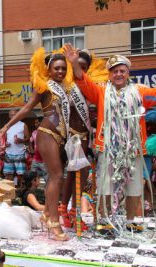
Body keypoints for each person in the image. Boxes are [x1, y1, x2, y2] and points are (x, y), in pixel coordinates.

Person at [65, 44, 156, 232]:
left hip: (134, 148)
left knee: (135, 186)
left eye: (122, 71)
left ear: (128, 72)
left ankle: (132, 221)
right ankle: (104, 221)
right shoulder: (101, 91)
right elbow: (83, 80)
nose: (119, 74)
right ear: (109, 74)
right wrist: (74, 64)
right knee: (106, 185)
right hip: (108, 147)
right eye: (115, 71)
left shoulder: (140, 92)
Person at [0, 49, 72, 241]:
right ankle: (54, 223)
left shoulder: (66, 87)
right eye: (56, 68)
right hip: (46, 133)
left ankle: (48, 214)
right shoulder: (44, 86)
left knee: (55, 178)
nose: (60, 71)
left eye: (63, 68)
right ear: (49, 69)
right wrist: (6, 126)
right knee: (56, 176)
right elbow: (27, 108)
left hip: (61, 136)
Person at [58, 50, 96, 231]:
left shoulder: (90, 86)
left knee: (75, 173)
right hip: (73, 136)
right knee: (79, 171)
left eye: (84, 67)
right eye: (77, 66)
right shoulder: (67, 86)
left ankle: (68, 210)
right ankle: (70, 211)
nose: (80, 69)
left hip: (86, 137)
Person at [3, 109, 30, 185]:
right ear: (9, 116)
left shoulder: (23, 125)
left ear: (18, 115)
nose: (13, 116)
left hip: (20, 153)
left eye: (14, 114)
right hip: (8, 153)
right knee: (8, 175)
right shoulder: (7, 126)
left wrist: (20, 140)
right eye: (11, 115)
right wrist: (5, 144)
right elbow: (3, 139)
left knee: (21, 175)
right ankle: (10, 192)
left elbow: (28, 138)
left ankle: (22, 191)